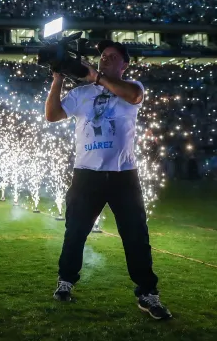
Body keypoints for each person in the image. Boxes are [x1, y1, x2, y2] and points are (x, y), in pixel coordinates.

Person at [44, 40, 172, 320]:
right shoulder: (82, 93)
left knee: (136, 236)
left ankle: (148, 293)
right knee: (75, 232)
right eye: (102, 56)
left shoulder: (134, 88)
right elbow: (52, 115)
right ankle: (65, 280)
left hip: (123, 175)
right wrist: (57, 79)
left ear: (124, 65)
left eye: (112, 57)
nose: (104, 59)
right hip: (86, 175)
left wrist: (97, 76)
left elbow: (134, 97)